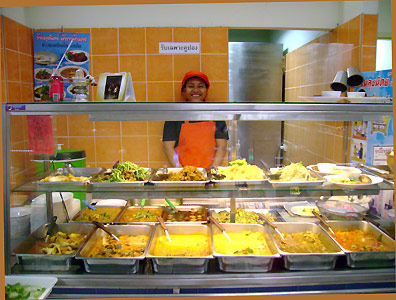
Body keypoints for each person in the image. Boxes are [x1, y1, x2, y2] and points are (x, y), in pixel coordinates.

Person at [162, 71, 228, 169]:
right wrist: (181, 171)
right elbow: (168, 148)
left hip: (209, 175)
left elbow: (222, 147)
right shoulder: (174, 116)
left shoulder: (216, 115)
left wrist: (213, 170)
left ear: (206, 90)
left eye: (200, 86)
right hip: (183, 175)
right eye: (191, 86)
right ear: (183, 91)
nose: (195, 90)